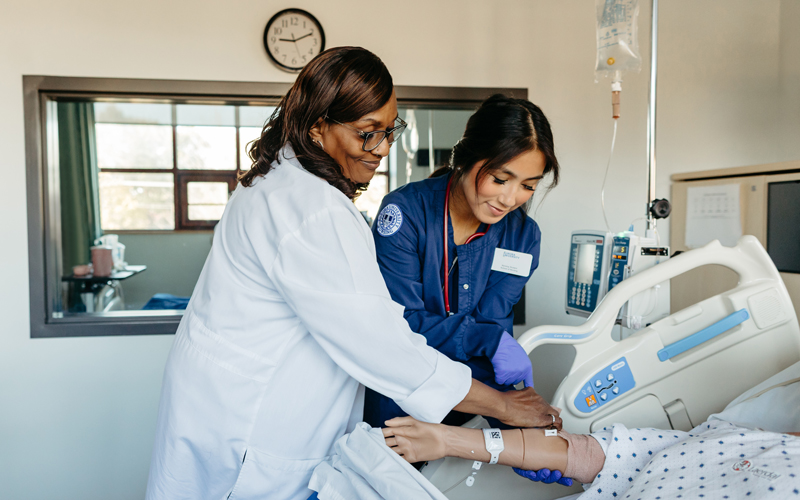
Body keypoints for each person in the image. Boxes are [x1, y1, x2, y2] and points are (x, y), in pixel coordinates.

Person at [145, 47, 560, 500]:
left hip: (243, 405)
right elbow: (385, 342)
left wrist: (504, 416)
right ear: (317, 126)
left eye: (388, 131)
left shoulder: (284, 184)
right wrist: (502, 404)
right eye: (367, 133)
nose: (382, 149)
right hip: (254, 424)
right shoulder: (317, 211)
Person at [364, 95, 561, 431]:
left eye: (528, 186)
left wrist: (518, 423)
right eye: (500, 179)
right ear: (468, 157)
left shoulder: (522, 237)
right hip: (402, 396)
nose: (509, 199)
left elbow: (492, 324)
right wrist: (486, 341)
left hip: (475, 399)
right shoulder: (406, 213)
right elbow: (400, 324)